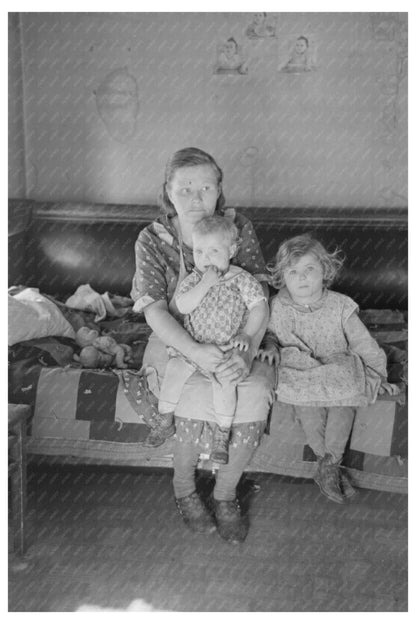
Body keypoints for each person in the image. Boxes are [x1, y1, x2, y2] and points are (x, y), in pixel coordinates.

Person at [131, 147, 274, 543]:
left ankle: (225, 494)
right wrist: (194, 351)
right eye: (186, 188)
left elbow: (258, 295)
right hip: (176, 340)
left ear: (219, 191)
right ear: (168, 192)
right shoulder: (153, 239)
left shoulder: (236, 226)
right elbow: (156, 311)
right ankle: (184, 490)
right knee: (190, 390)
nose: (196, 197)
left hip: (235, 337)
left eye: (206, 187)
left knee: (255, 389)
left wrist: (246, 349)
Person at [257, 234, 399, 504]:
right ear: (283, 277)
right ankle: (330, 465)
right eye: (293, 271)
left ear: (325, 270)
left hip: (336, 364)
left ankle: (329, 462)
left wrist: (379, 375)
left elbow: (363, 343)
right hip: (298, 366)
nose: (302, 278)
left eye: (309, 269)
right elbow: (269, 335)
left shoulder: (340, 304)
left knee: (344, 400)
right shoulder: (278, 306)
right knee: (308, 407)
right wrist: (271, 346)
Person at [154, 215, 268, 465]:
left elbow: (259, 307)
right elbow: (183, 306)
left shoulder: (241, 279)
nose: (205, 258)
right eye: (199, 251)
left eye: (214, 251)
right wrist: (204, 284)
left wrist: (247, 334)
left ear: (232, 251)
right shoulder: (194, 279)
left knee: (226, 384)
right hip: (193, 347)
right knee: (173, 370)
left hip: (226, 350)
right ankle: (165, 419)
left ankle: (222, 433)